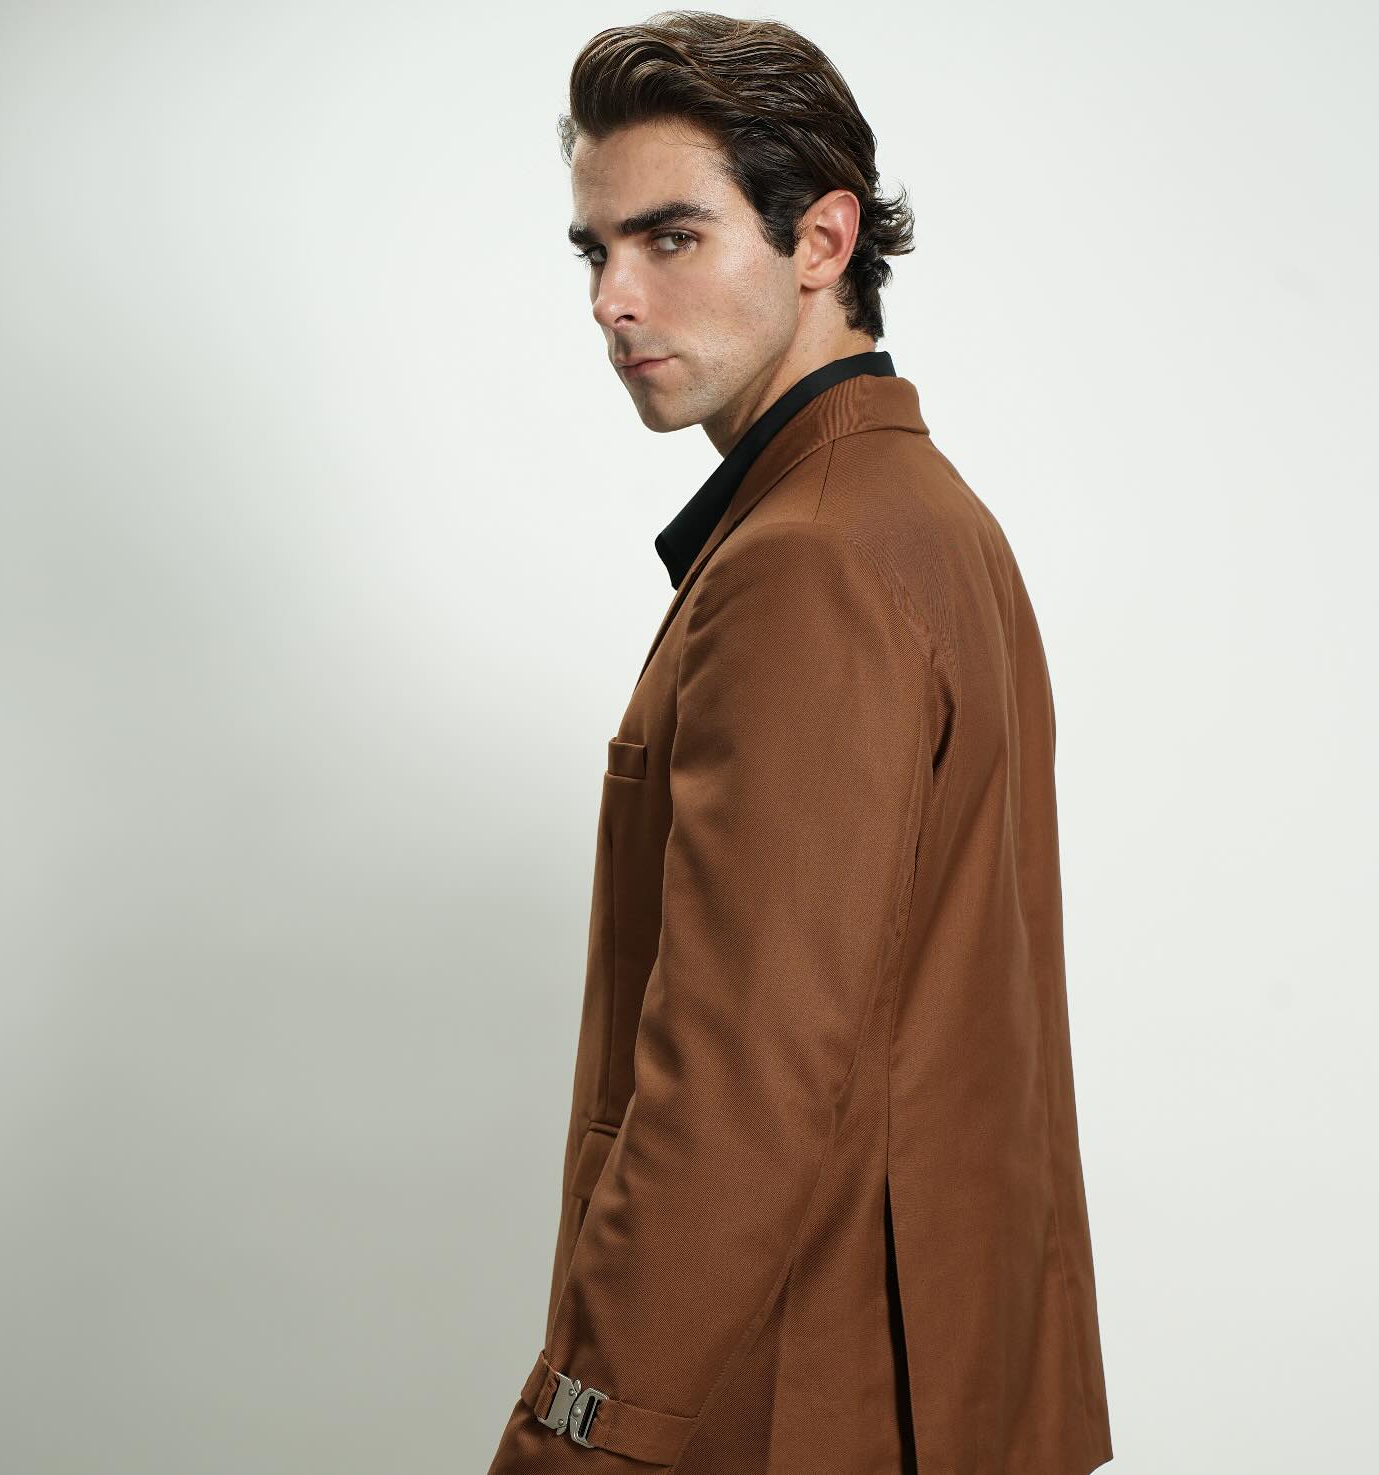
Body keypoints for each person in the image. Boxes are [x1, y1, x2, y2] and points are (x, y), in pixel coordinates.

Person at [486, 12, 1114, 1473]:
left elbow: (735, 1087)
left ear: (823, 240)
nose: (614, 300)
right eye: (594, 252)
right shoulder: (930, 519)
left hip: (796, 1404)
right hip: (942, 1391)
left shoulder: (809, 564)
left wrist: (573, 1438)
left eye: (671, 238)